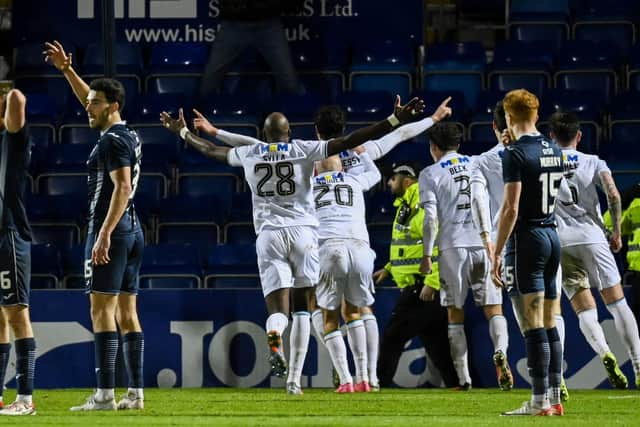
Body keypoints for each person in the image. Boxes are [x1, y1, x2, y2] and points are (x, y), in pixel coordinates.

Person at [160, 96, 425, 394]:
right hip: (304, 235)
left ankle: (275, 337)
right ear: (289, 133)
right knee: (306, 307)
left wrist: (182, 132)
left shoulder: (251, 152)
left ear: (264, 134)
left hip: (269, 236)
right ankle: (299, 381)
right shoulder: (303, 149)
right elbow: (351, 139)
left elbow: (209, 150)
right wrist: (393, 121)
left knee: (278, 309)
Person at [307, 99, 452, 391]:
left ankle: (344, 375)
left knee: (323, 310)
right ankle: (369, 376)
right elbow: (398, 135)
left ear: (316, 130)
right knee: (360, 308)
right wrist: (432, 119)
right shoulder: (359, 152)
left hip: (325, 241)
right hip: (358, 239)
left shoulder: (307, 157)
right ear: (344, 127)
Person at [44, 41, 145, 411]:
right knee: (127, 313)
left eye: (95, 103)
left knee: (100, 312)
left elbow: (122, 187)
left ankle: (104, 395)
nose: (88, 106)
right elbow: (90, 97)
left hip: (111, 230)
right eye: (89, 102)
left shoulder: (112, 141)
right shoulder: (127, 134)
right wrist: (66, 70)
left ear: (113, 106)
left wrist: (102, 234)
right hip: (132, 230)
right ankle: (135, 395)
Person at [551, 111, 640, 389]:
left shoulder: (545, 164)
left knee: (582, 308)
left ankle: (605, 352)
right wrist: (615, 230)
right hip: (592, 237)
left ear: (552, 137)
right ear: (579, 136)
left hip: (560, 241)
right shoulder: (593, 161)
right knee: (617, 303)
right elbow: (613, 194)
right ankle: (638, 366)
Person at [419, 122, 511, 391]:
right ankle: (501, 352)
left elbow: (430, 218)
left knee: (454, 314)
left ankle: (463, 379)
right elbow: (498, 153)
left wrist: (427, 254)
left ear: (434, 147)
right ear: (458, 144)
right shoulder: (476, 162)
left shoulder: (430, 173)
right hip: (486, 243)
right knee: (494, 309)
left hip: (452, 247)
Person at [491, 89, 564, 416]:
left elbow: (510, 208)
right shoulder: (554, 149)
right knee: (549, 321)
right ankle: (554, 397)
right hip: (552, 237)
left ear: (508, 117)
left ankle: (538, 401)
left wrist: (496, 250)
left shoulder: (514, 155)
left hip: (527, 242)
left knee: (532, 325)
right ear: (536, 115)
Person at [372, 162, 458, 388]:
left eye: (393, 178)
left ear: (408, 180)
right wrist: (389, 268)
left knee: (392, 337)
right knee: (436, 342)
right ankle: (455, 384)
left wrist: (431, 282)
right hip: (420, 285)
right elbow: (411, 245)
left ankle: (379, 382)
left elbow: (437, 245)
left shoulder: (420, 205)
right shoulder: (406, 205)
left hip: (420, 286)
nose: (389, 182)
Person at [313, 148, 381, 393]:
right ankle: (364, 378)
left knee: (329, 317)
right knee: (353, 312)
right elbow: (375, 173)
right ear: (341, 168)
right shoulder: (354, 179)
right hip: (360, 248)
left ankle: (346, 380)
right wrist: (362, 154)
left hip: (330, 248)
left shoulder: (308, 185)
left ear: (315, 169)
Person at [0, 89, 36, 416]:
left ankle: (25, 399)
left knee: (16, 314)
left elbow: (17, 98)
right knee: (0, 317)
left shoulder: (13, 140)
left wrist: (5, 91)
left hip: (9, 236)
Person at [199, 0, 304, 99]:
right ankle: (200, 114)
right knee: (210, 79)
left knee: (288, 80)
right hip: (233, 24)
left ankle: (290, 115)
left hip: (269, 24)